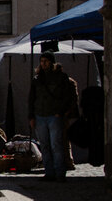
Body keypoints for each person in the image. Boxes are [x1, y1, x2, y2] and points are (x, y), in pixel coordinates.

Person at [28, 53, 77, 181]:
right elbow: (32, 98)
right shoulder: (37, 79)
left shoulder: (61, 78)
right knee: (44, 145)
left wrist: (61, 112)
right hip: (40, 115)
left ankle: (60, 173)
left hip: (54, 115)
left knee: (56, 145)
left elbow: (68, 96)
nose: (43, 63)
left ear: (52, 63)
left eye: (46, 61)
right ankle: (49, 172)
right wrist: (31, 116)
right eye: (42, 61)